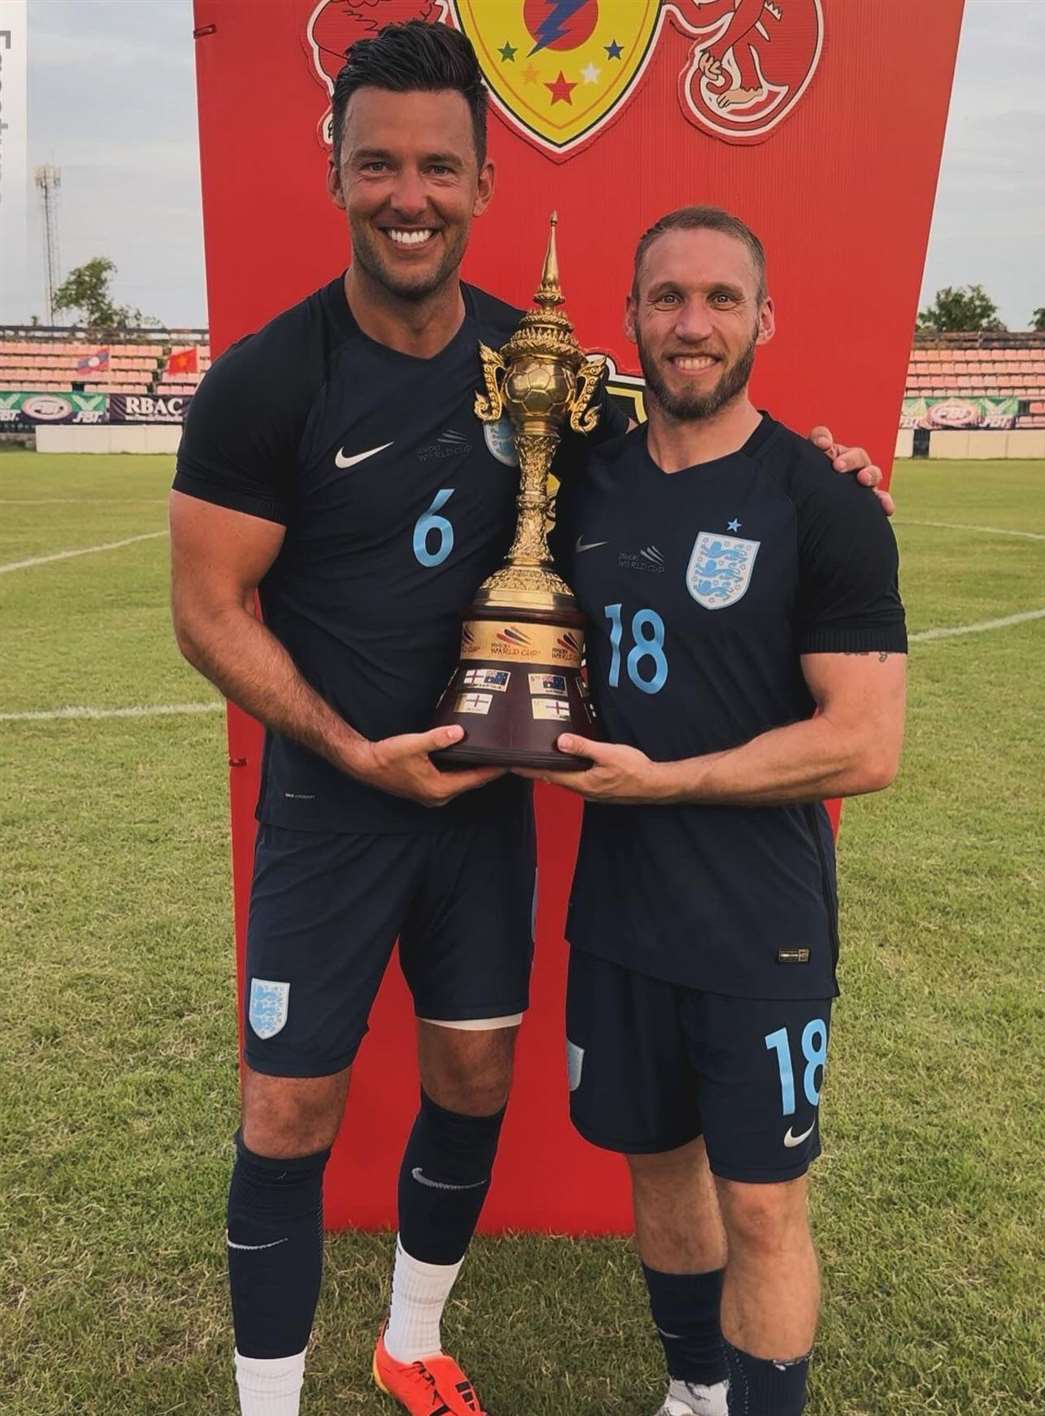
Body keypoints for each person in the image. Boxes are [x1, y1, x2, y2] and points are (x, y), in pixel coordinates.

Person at [169, 23, 887, 1416]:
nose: (409, 194)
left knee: (477, 1074)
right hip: (333, 805)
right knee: (288, 1111)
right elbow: (207, 614)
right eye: (378, 163)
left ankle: (412, 1341)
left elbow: (700, 444)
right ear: (336, 173)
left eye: (440, 166)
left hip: (485, 807)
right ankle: (267, 1404)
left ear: (486, 182)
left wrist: (833, 475)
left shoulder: (536, 360)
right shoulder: (264, 381)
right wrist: (345, 746)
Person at [536, 207, 908, 1416]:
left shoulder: (825, 500)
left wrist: (671, 781)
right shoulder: (582, 476)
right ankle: (695, 1389)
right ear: (632, 316)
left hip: (762, 926)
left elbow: (864, 743)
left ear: (763, 318)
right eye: (666, 298)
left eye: (720, 299)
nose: (692, 325)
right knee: (658, 1167)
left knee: (761, 1199)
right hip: (624, 913)